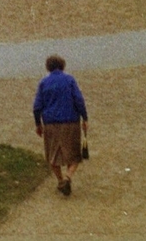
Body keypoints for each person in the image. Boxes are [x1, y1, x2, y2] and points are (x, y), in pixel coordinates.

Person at [33, 54, 88, 196]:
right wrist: (85, 118)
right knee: (74, 154)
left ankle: (60, 180)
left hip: (50, 123)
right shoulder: (69, 80)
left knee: (52, 154)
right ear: (63, 65)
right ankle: (68, 177)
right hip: (70, 122)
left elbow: (37, 107)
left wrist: (38, 124)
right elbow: (79, 100)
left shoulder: (44, 83)